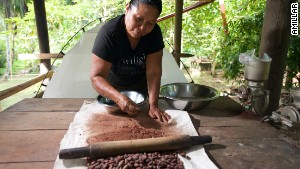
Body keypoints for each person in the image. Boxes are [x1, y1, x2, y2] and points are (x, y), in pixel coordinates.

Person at [90, 0, 170, 122]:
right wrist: (119, 99)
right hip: (113, 96)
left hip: (142, 97)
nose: (142, 28)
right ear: (127, 8)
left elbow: (154, 72)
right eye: (138, 19)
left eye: (150, 23)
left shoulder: (154, 33)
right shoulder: (109, 33)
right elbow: (96, 77)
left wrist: (153, 105)